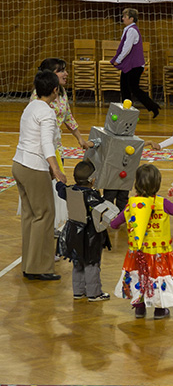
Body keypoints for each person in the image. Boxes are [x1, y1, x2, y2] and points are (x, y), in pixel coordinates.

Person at [110, 164, 173, 319]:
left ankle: (139, 308)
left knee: (139, 276)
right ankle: (159, 310)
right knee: (158, 278)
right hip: (159, 252)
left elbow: (115, 223)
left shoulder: (132, 204)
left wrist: (113, 223)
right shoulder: (162, 203)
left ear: (137, 183)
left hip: (138, 252)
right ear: (157, 184)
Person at [13, 70, 67, 281]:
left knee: (30, 215)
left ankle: (29, 264)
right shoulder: (47, 112)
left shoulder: (30, 107)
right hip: (34, 167)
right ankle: (39, 268)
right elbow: (46, 144)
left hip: (19, 164)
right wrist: (56, 169)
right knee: (44, 215)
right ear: (55, 90)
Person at [33, 58, 93, 236]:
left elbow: (68, 117)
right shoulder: (39, 97)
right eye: (61, 71)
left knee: (57, 187)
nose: (66, 73)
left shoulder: (62, 92)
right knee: (47, 188)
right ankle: (45, 225)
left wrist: (80, 139)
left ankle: (54, 225)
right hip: (43, 150)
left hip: (56, 147)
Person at [55, 160, 113, 301]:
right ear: (92, 180)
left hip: (73, 233)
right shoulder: (92, 195)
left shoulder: (68, 191)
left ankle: (78, 291)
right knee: (92, 263)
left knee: (77, 261)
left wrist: (59, 181)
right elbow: (105, 209)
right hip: (90, 235)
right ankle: (94, 293)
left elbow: (60, 188)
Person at [111, 8, 161, 117]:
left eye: (125, 17)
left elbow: (127, 48)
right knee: (124, 87)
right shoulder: (128, 29)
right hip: (129, 65)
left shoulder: (132, 31)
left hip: (135, 66)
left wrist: (118, 60)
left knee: (134, 88)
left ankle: (153, 106)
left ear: (131, 19)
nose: (123, 18)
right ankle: (126, 111)